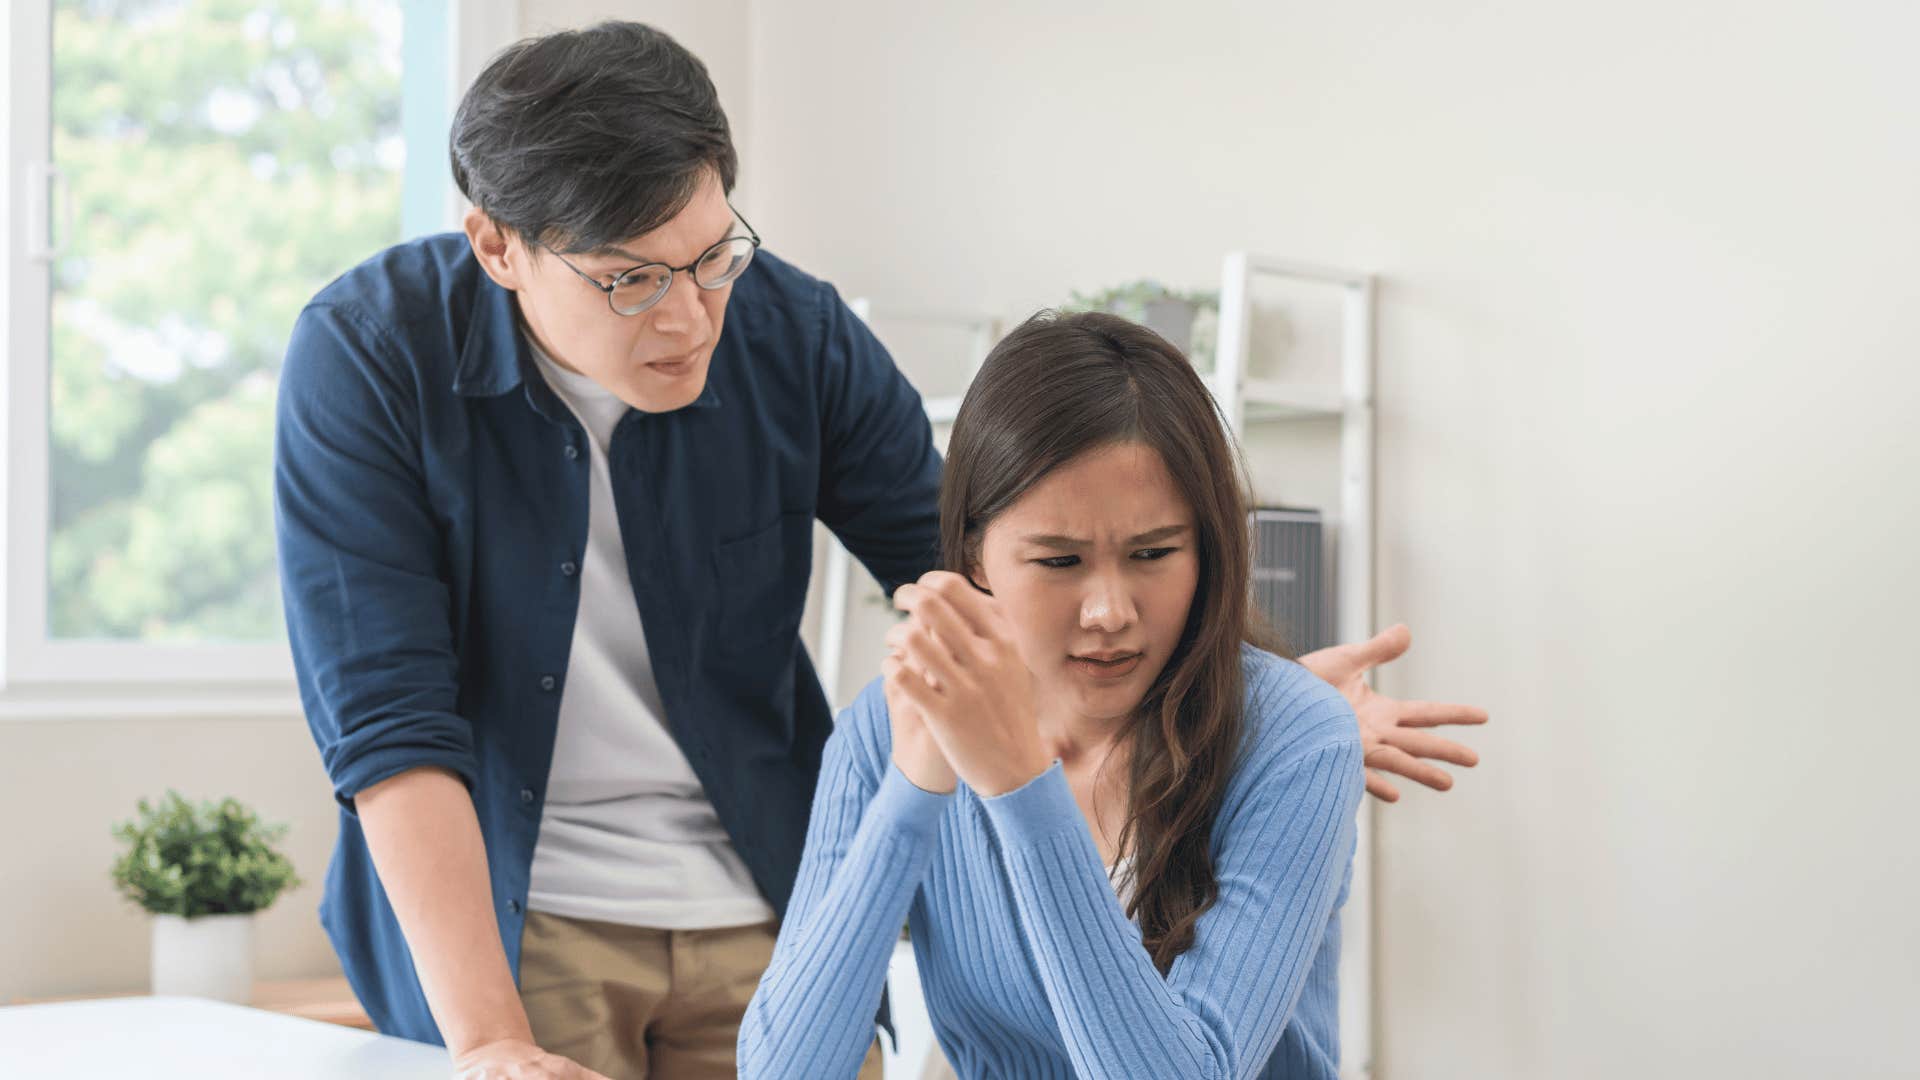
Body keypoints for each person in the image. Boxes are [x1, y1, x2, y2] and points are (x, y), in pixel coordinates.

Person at [275, 19, 1484, 1080]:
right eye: (631, 279)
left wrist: (1227, 695)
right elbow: (391, 727)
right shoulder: (370, 357)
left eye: (711, 256)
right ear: (498, 248)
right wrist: (488, 1040)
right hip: (514, 908)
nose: (690, 315)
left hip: (759, 874)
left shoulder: (792, 331)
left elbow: (973, 564)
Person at [739, 311, 1400, 1079]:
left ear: (1208, 546)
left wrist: (1020, 785)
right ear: (977, 553)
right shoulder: (878, 735)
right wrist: (912, 787)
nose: (1110, 612)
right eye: (1059, 561)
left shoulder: (1297, 739)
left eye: (1153, 553)